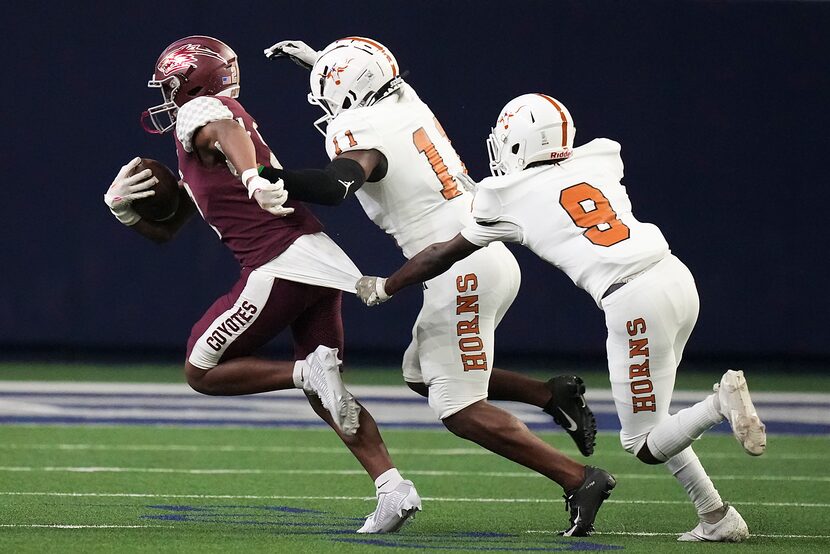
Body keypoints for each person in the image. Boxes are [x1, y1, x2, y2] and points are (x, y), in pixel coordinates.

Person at [355, 92, 768, 542]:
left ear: (516, 144)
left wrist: (386, 285)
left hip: (633, 301)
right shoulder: (601, 158)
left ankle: (717, 404)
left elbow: (440, 254)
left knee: (644, 444)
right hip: (675, 278)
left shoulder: (503, 195)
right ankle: (714, 515)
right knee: (659, 419)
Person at [261, 38, 614, 536]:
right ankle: (549, 394)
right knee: (422, 373)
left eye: (327, 93)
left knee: (458, 409)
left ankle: (579, 478)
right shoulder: (403, 99)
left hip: (458, 268)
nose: (324, 108)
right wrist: (321, 63)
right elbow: (367, 85)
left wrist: (273, 178)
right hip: (474, 256)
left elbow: (336, 184)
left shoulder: (359, 130)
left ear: (347, 91)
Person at [103, 35, 420, 534]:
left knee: (201, 369)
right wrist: (124, 214)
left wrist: (253, 178)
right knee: (327, 389)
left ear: (193, 82)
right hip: (311, 258)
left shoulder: (206, 113)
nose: (166, 96)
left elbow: (226, 128)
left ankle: (302, 372)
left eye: (171, 84)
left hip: (280, 263)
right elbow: (166, 229)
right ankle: (392, 487)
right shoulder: (208, 140)